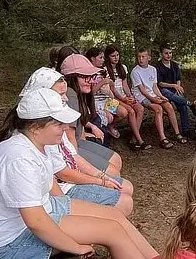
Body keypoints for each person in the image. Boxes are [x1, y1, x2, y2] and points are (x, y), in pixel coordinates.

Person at [0, 88, 158, 259]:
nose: (65, 128)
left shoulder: (34, 144)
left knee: (114, 216)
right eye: (59, 123)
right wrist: (75, 246)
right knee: (112, 231)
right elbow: (36, 222)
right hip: (10, 242)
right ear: (35, 127)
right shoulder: (19, 159)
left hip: (41, 211)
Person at [19, 67, 135, 214]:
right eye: (61, 94)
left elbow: (72, 155)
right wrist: (100, 181)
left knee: (125, 187)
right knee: (124, 201)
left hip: (66, 184)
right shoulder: (43, 132)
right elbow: (61, 176)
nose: (66, 98)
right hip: (63, 188)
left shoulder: (51, 126)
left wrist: (101, 176)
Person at [131, 47, 185, 149]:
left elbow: (154, 87)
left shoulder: (153, 69)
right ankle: (162, 138)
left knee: (168, 106)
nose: (141, 59)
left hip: (152, 94)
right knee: (158, 108)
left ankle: (177, 133)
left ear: (149, 58)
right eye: (139, 57)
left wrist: (161, 96)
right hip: (141, 96)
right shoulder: (135, 71)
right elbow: (142, 90)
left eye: (143, 57)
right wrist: (154, 99)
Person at [105, 44, 149, 150]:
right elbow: (112, 90)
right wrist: (123, 99)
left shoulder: (123, 67)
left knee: (140, 108)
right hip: (111, 98)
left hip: (123, 95)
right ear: (108, 57)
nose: (116, 58)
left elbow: (125, 85)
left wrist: (130, 96)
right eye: (113, 56)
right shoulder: (105, 70)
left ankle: (133, 137)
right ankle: (139, 140)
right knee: (130, 111)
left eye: (117, 55)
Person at [155, 43, 193, 135]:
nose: (169, 55)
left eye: (170, 53)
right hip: (163, 90)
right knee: (167, 92)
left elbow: (178, 79)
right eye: (166, 53)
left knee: (182, 105)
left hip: (174, 90)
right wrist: (174, 86)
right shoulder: (157, 67)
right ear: (161, 54)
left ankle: (186, 130)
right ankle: (188, 103)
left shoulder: (174, 65)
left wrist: (177, 88)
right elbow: (160, 83)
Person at [85, 46, 121, 140]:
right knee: (108, 117)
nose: (103, 60)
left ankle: (109, 127)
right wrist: (102, 82)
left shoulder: (103, 71)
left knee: (122, 113)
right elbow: (90, 93)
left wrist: (110, 87)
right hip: (95, 102)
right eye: (100, 57)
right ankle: (102, 135)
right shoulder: (87, 73)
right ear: (93, 59)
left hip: (106, 99)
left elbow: (110, 86)